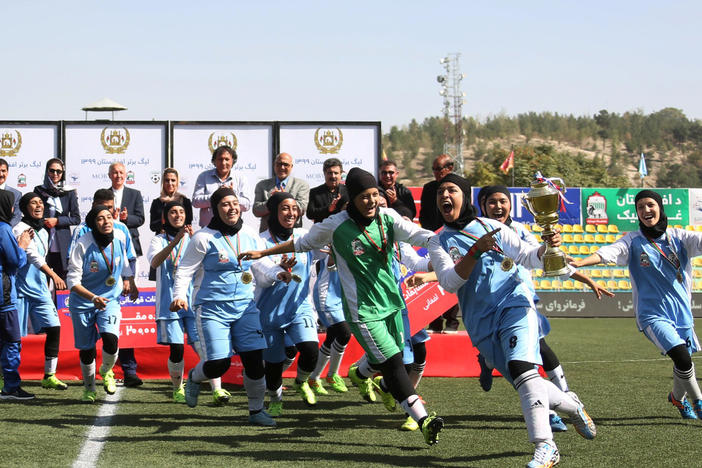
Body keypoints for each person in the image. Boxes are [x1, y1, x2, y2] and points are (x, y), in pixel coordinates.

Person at [240, 167, 445, 446]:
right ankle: (425, 419)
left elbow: (419, 236)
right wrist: (263, 252)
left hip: (393, 305)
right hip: (363, 312)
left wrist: (446, 243)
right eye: (364, 196)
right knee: (395, 363)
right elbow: (301, 243)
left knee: (388, 361)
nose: (372, 201)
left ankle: (360, 374)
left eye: (375, 195)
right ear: (352, 199)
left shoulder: (388, 217)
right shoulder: (336, 224)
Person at [428, 173, 596, 467]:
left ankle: (546, 447)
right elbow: (449, 282)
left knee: (523, 368)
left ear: (464, 196)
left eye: (451, 190)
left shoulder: (492, 227)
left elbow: (528, 257)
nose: (445, 195)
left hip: (515, 305)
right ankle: (573, 405)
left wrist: (547, 247)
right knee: (525, 382)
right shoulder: (437, 241)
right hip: (480, 324)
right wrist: (475, 251)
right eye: (441, 191)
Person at [475, 185, 612, 433]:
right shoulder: (475, 233)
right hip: (488, 306)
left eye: (502, 201)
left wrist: (587, 279)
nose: (497, 206)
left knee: (536, 351)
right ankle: (487, 361)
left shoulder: (520, 232)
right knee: (510, 360)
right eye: (491, 202)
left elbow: (543, 255)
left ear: (510, 205)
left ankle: (558, 403)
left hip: (520, 303)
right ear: (482, 206)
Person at [572, 189, 702, 420]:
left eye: (650, 205)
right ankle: (698, 401)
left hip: (682, 315)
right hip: (652, 315)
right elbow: (608, 253)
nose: (645, 210)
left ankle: (676, 398)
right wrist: (582, 261)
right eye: (640, 207)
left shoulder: (680, 237)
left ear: (660, 207)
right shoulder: (633, 241)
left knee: (684, 361)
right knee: (682, 357)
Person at [170, 187, 287, 427]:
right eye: (225, 204)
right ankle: (194, 377)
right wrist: (179, 295)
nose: (231, 208)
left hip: (245, 307)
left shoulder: (249, 232)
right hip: (212, 309)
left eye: (234, 203)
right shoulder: (203, 237)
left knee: (255, 361)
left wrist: (278, 273)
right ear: (215, 209)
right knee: (219, 364)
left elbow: (262, 262)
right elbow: (184, 270)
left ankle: (256, 411)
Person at [68, 188, 142, 387]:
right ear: (93, 222)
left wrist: (131, 281)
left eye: (109, 216)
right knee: (87, 349)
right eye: (101, 218)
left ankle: (106, 371)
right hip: (84, 302)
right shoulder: (82, 243)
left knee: (111, 339)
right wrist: (92, 298)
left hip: (109, 299)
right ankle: (89, 388)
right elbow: (72, 282)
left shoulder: (119, 235)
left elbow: (126, 262)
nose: (107, 221)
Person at [255, 192, 319, 416]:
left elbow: (325, 253)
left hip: (299, 308)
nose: (291, 213)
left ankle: (301, 381)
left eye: (294, 208)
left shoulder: (304, 237)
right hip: (269, 313)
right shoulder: (260, 241)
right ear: (273, 212)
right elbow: (261, 278)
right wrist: (278, 271)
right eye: (284, 208)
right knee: (273, 365)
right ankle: (275, 398)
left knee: (311, 351)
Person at [13, 193, 69, 391]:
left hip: (39, 290)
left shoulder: (44, 231)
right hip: (19, 290)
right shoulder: (19, 229)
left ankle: (49, 375)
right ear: (24, 208)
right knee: (13, 338)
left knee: (54, 327)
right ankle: (6, 377)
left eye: (40, 203)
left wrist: (48, 280)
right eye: (33, 203)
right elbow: (32, 256)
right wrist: (53, 275)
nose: (38, 206)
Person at [421, 155, 460, 335]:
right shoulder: (429, 188)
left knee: (452, 277)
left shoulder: (459, 186)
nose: (436, 173)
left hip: (453, 239)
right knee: (431, 280)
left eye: (439, 169)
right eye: (434, 169)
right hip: (434, 240)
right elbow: (423, 215)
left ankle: (452, 322)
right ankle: (434, 322)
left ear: (449, 168)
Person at [0, 190, 33, 400]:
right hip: (3, 297)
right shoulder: (3, 229)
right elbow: (14, 262)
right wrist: (21, 246)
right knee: (12, 341)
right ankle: (11, 387)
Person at [33, 158, 81, 282]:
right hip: (44, 242)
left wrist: (58, 221)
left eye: (58, 172)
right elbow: (33, 214)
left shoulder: (69, 192)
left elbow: (76, 218)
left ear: (62, 173)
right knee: (43, 281)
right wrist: (44, 221)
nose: (55, 174)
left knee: (62, 283)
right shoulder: (39, 190)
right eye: (52, 171)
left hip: (62, 244)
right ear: (47, 171)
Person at [192, 145, 251, 227]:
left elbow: (247, 205)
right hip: (209, 228)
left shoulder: (241, 178)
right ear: (214, 161)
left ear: (232, 161)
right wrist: (216, 196)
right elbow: (195, 202)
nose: (223, 163)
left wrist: (231, 195)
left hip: (232, 227)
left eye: (227, 159)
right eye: (220, 159)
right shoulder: (203, 176)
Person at [253, 153, 310, 232]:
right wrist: (272, 201)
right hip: (268, 233)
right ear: (274, 165)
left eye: (285, 164)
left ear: (291, 166)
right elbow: (256, 210)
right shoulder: (262, 185)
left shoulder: (301, 185)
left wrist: (283, 198)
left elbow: (301, 209)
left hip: (292, 232)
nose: (282, 167)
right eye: (279, 164)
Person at [149, 168, 193, 233]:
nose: (170, 183)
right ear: (163, 182)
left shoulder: (185, 201)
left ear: (177, 182)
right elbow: (153, 226)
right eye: (167, 180)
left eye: (173, 180)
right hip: (162, 238)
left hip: (181, 238)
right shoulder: (157, 202)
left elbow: (188, 223)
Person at [306, 158, 349, 224]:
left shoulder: (348, 191)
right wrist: (328, 209)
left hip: (343, 230)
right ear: (324, 173)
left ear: (341, 174)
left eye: (336, 173)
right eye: (330, 173)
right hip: (322, 231)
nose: (333, 176)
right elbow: (310, 214)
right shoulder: (314, 192)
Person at [0, 159, 21, 226]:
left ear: (7, 172)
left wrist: (5, 229)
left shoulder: (16, 194)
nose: (1, 174)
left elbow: (17, 216)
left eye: (3, 171)